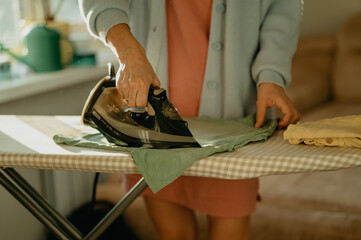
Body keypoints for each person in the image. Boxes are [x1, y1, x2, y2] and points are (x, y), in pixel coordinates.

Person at [79, 1, 302, 239]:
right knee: (174, 234)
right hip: (152, 122)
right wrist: (129, 53)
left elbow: (282, 8)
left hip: (231, 122)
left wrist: (271, 75)